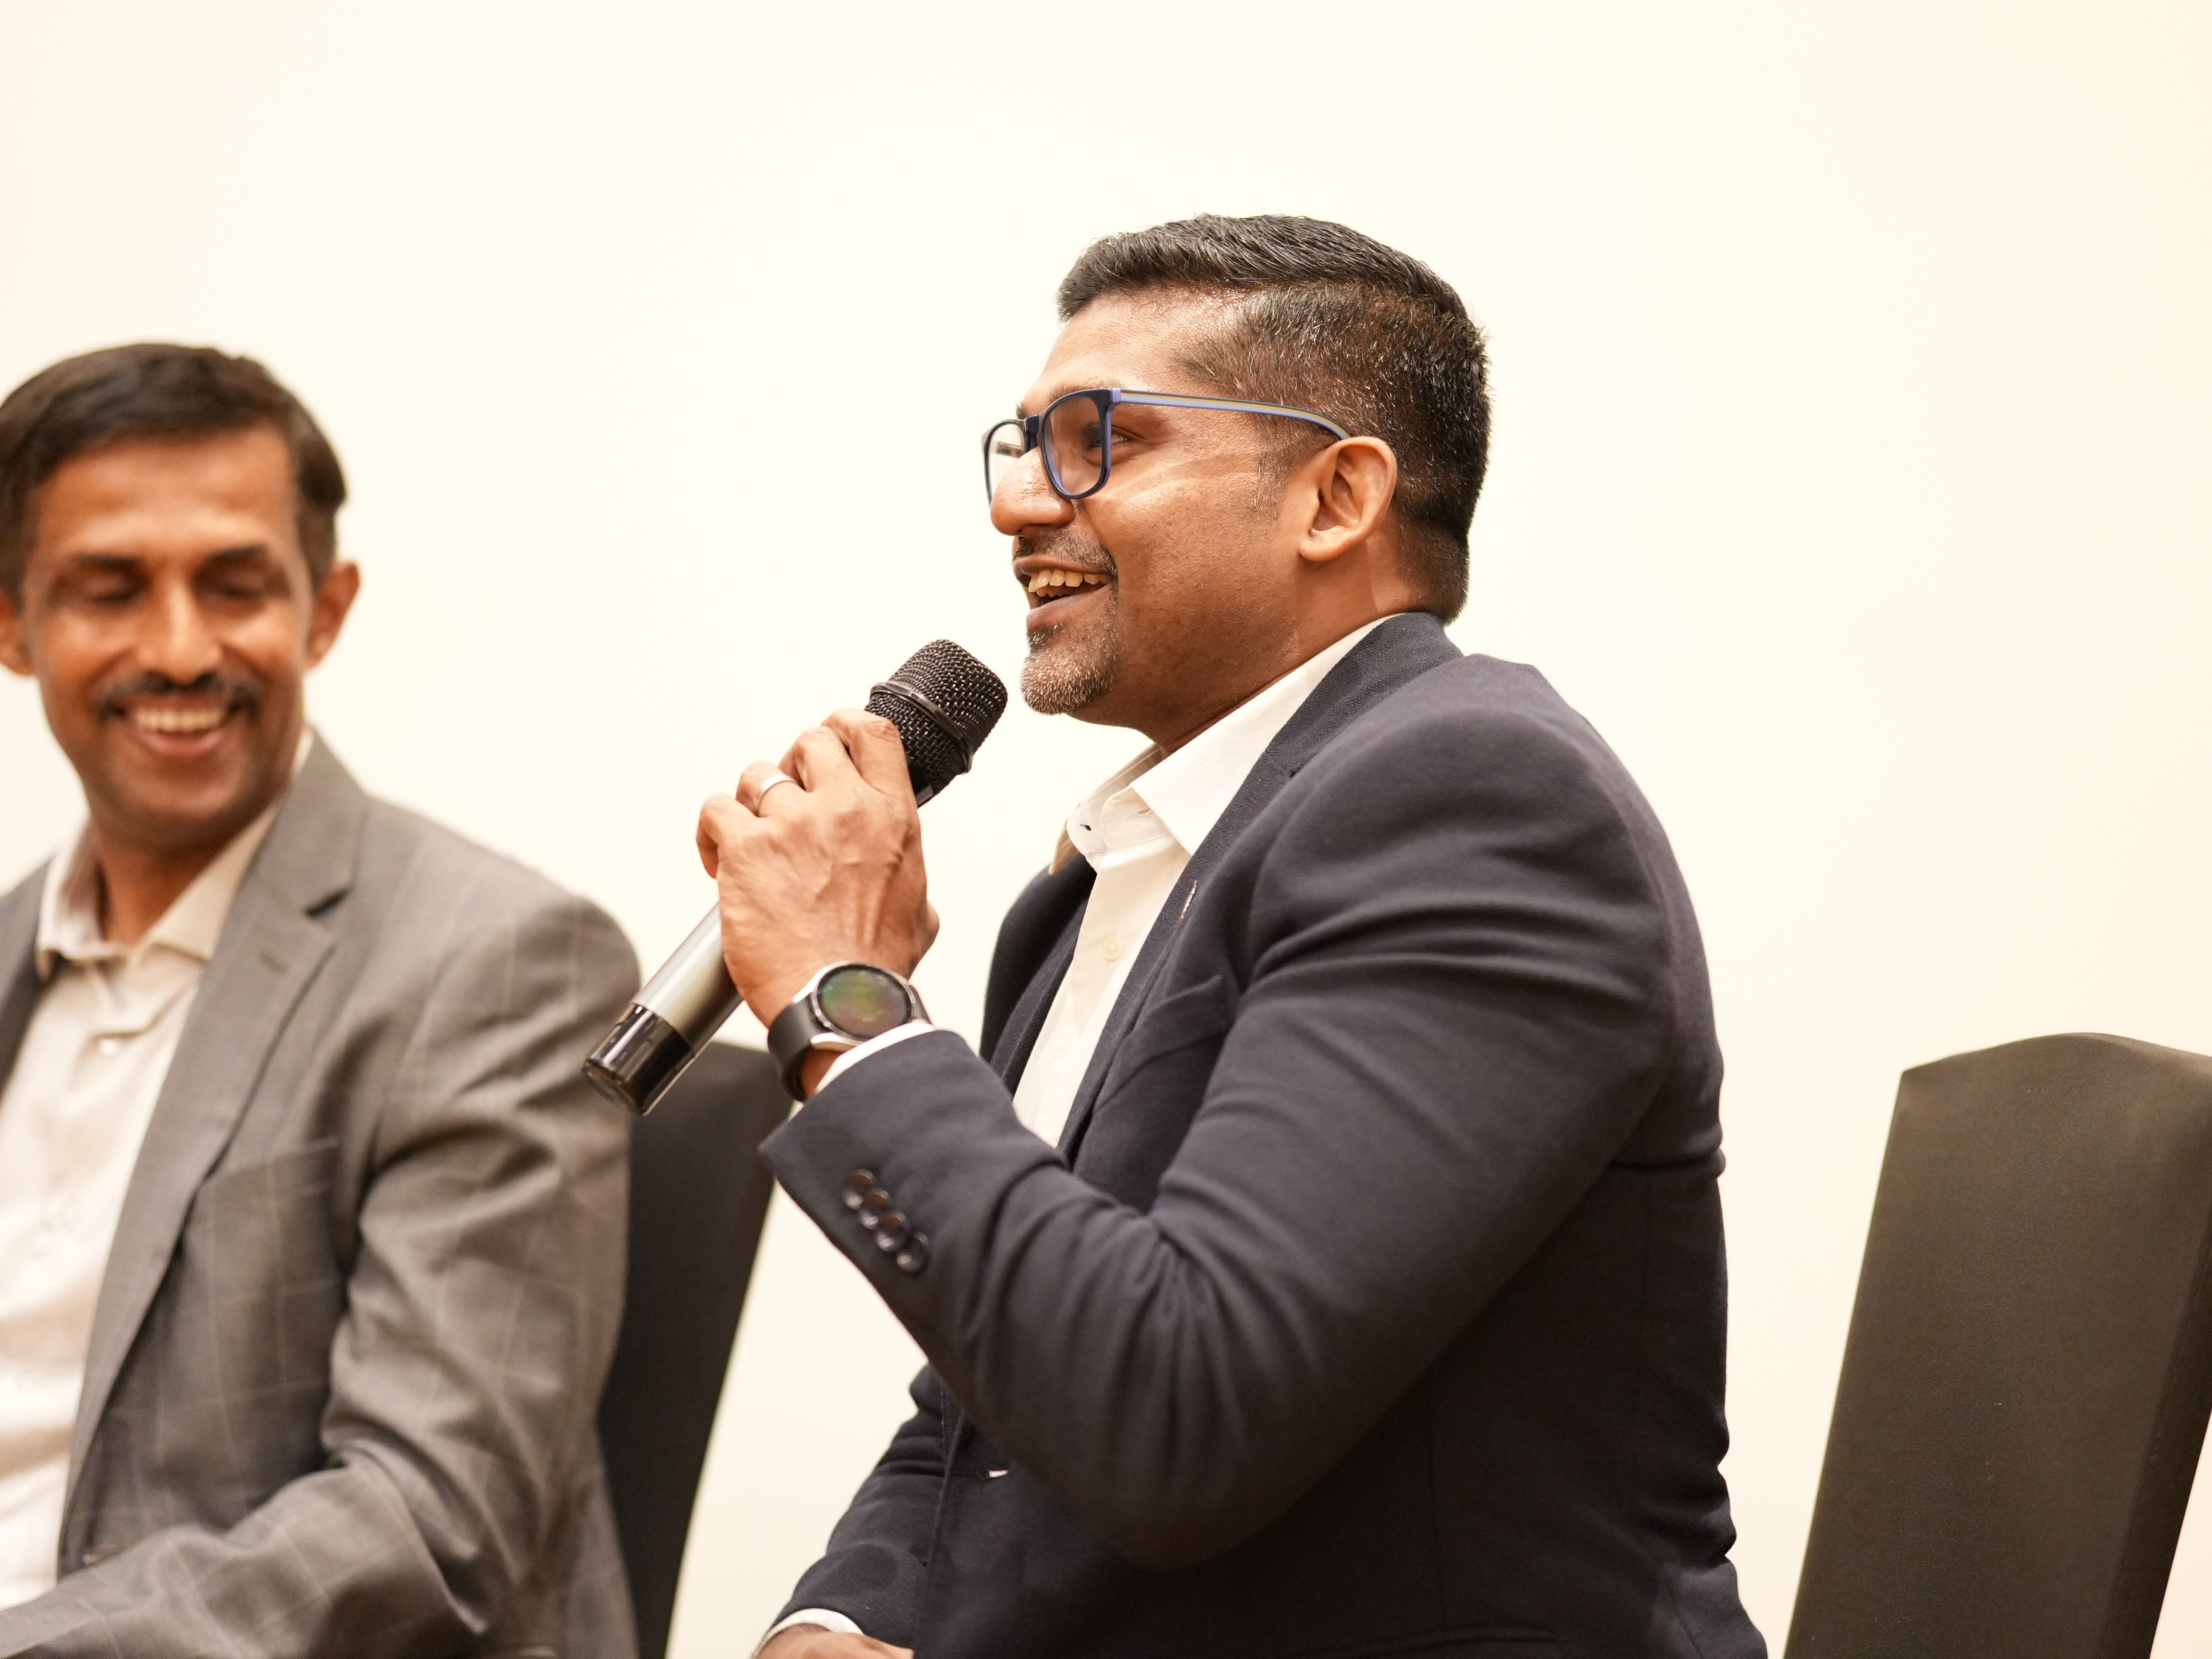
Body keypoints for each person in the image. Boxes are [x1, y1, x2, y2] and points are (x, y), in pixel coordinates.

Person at [701, 214, 1766, 1658]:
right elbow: (980, 1417)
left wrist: (847, 1003)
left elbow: (1176, 1415)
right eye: (1022, 447)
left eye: (1102, 441)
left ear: (1336, 496)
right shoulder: (1111, 877)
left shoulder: (1475, 800)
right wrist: (840, 1617)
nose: (1020, 506)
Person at [0, 345, 639, 1657]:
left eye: (236, 586)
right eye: (111, 590)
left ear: (325, 609)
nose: (181, 650)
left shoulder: (500, 965)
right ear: (12, 623)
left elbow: (431, 1519)